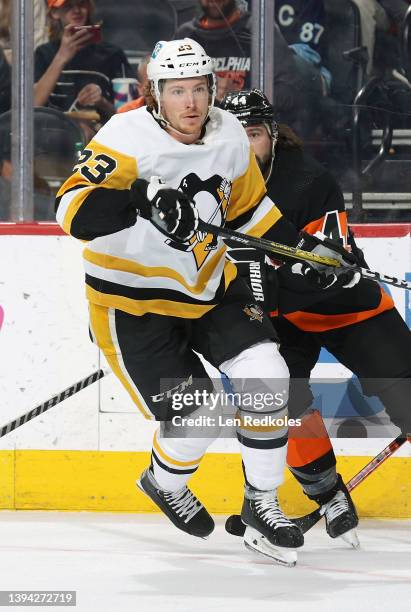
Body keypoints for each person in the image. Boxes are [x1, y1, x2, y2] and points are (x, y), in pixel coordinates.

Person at [55, 39, 360, 564]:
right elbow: (71, 210)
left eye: (199, 88)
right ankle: (164, 479)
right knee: (202, 416)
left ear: (213, 87)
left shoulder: (227, 136)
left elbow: (248, 210)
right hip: (134, 304)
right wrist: (139, 200)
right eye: (178, 91)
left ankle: (262, 503)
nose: (191, 102)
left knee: (267, 374)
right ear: (156, 93)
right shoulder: (125, 137)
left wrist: (302, 250)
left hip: (210, 287)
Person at [221, 88, 411, 543]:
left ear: (271, 135)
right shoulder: (211, 186)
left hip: (349, 310)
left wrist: (318, 268)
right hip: (282, 318)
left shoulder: (309, 181)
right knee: (275, 396)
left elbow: (327, 268)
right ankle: (327, 493)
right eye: (234, 136)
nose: (245, 147)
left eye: (253, 135)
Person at [173, 0, 324, 131]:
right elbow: (171, 97)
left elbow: (291, 93)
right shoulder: (186, 36)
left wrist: (241, 97)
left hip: (252, 137)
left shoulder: (260, 32)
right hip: (201, 138)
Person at [34, 0, 132, 122]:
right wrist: (61, 57)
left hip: (100, 134)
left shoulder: (112, 54)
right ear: (54, 12)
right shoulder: (44, 53)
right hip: (53, 132)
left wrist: (101, 102)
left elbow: (129, 116)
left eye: (81, 4)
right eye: (68, 6)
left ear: (89, 7)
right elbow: (33, 104)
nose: (76, 11)